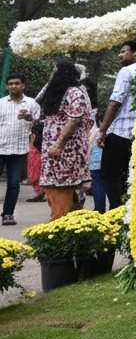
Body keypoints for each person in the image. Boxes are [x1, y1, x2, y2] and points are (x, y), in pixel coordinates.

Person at [35, 58, 93, 220]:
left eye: (55, 71)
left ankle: (61, 231)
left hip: (66, 151)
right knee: (55, 192)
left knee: (62, 193)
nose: (52, 75)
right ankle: (64, 228)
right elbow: (37, 103)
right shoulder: (56, 90)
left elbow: (74, 119)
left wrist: (58, 145)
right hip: (54, 151)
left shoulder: (76, 91)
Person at [96, 40, 136, 210]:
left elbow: (115, 102)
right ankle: (129, 209)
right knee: (129, 175)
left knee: (108, 175)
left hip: (120, 132)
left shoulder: (127, 71)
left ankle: (118, 209)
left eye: (124, 51)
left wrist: (102, 130)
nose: (119, 55)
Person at [1, 72, 41, 225]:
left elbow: (39, 123)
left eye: (17, 83)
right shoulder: (1, 103)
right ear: (7, 86)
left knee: (13, 184)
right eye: (10, 84)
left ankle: (8, 214)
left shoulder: (31, 103)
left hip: (19, 150)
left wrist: (29, 118)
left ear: (23, 86)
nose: (13, 86)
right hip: (0, 148)